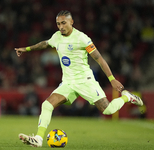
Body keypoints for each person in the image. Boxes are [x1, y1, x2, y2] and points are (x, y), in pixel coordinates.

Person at [14, 10, 143, 147]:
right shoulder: (57, 36)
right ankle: (38, 139)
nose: (61, 27)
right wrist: (26, 49)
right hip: (68, 83)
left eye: (63, 23)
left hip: (85, 81)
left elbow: (99, 59)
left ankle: (127, 97)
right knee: (46, 105)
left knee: (109, 110)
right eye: (58, 24)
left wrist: (112, 79)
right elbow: (45, 43)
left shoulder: (82, 38)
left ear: (71, 22)